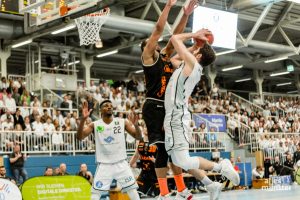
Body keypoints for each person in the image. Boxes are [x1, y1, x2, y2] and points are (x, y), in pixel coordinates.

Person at [163, 29, 240, 199]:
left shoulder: (192, 65)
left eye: (196, 50)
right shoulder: (188, 65)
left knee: (182, 161)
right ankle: (211, 185)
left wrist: (194, 36)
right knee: (176, 161)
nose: (193, 49)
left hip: (177, 116)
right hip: (172, 116)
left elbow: (175, 38)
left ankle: (222, 167)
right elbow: (172, 59)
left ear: (198, 55)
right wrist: (195, 47)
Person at [141, 0, 199, 198]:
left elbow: (175, 38)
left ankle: (181, 189)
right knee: (161, 150)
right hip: (153, 106)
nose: (157, 44)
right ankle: (164, 193)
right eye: (153, 43)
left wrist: (185, 13)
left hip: (168, 107)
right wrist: (167, 6)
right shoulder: (148, 57)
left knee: (174, 148)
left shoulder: (165, 56)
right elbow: (158, 29)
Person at [77, 100, 142, 200]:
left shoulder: (122, 122)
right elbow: (79, 137)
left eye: (111, 106)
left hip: (121, 163)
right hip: (104, 165)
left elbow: (137, 137)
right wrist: (83, 120)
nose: (109, 107)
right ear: (100, 110)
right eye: (106, 106)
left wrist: (136, 125)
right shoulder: (95, 124)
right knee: (95, 194)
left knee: (132, 191)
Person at [130, 127, 159, 197]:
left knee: (160, 195)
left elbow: (162, 159)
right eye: (145, 128)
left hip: (155, 173)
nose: (147, 129)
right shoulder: (140, 143)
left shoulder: (156, 142)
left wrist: (155, 161)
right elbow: (136, 155)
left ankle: (152, 190)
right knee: (136, 194)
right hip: (144, 173)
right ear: (143, 130)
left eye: (148, 127)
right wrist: (129, 164)